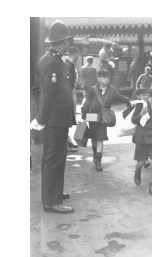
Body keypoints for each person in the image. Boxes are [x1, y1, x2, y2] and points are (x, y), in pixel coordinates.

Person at [34, 19, 77, 214]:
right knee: (54, 158)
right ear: (63, 41)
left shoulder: (53, 60)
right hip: (54, 120)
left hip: (57, 119)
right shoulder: (52, 62)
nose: (69, 42)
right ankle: (51, 202)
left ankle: (54, 193)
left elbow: (40, 90)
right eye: (67, 39)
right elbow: (47, 93)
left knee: (56, 157)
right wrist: (41, 119)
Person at [81, 69, 134, 171]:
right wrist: (84, 117)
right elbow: (87, 103)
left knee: (100, 138)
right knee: (94, 139)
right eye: (104, 77)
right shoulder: (93, 89)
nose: (107, 79)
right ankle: (95, 154)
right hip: (92, 118)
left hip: (103, 119)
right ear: (99, 78)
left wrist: (131, 101)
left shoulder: (112, 89)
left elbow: (120, 97)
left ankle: (99, 161)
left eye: (108, 77)